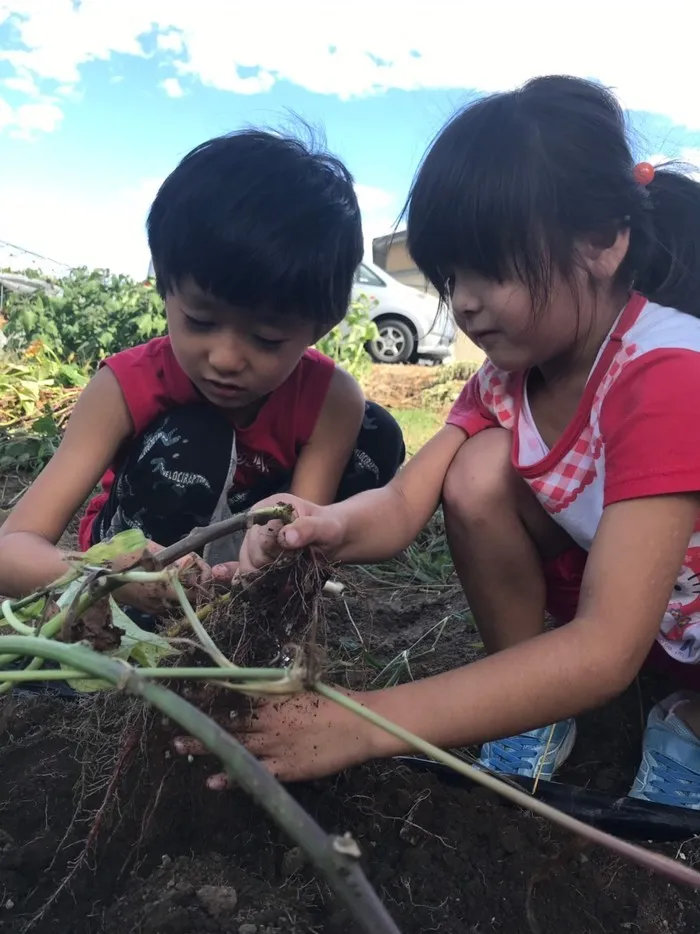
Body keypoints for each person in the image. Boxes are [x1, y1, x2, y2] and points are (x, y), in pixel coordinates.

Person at [196, 76, 700, 809]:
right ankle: (533, 691)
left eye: (490, 268)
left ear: (602, 239)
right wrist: (323, 523)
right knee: (476, 469)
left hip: (645, 617)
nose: (463, 301)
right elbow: (406, 502)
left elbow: (604, 647)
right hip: (649, 597)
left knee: (610, 656)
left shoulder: (668, 375)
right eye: (451, 275)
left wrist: (366, 723)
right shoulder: (507, 379)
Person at [0, 130, 405, 619]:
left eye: (268, 339)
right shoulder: (123, 387)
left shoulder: (331, 400)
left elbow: (303, 519)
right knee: (195, 439)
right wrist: (117, 576)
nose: (226, 358)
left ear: (320, 327)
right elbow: (12, 551)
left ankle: (243, 612)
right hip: (135, 569)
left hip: (237, 564)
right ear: (166, 289)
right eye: (200, 321)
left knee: (376, 437)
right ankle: (146, 619)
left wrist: (279, 559)